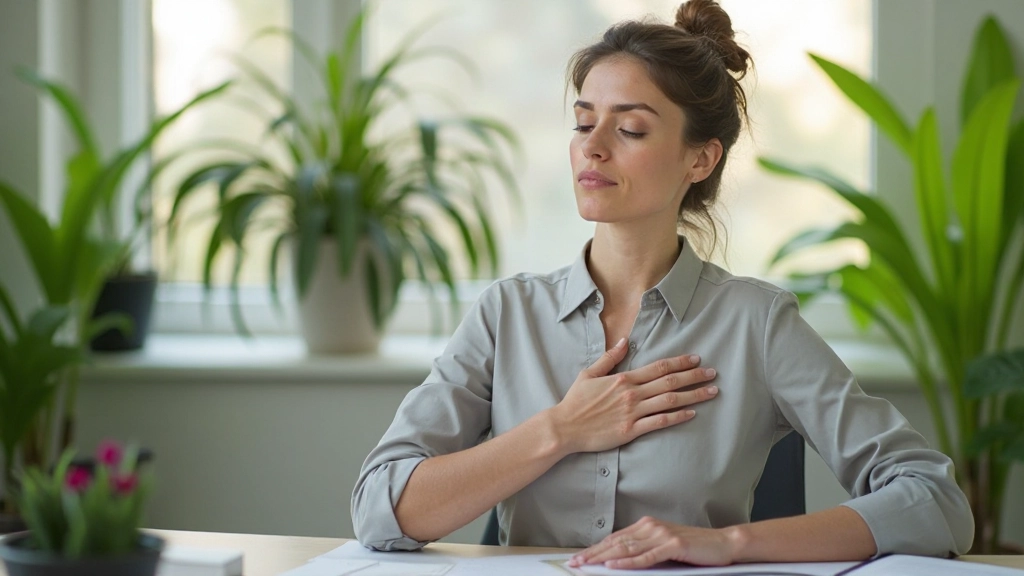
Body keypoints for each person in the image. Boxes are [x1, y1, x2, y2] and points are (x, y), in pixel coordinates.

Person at [351, 0, 974, 569]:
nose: (591, 148)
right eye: (582, 122)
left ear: (700, 159)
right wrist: (561, 429)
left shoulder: (756, 323)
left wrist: (728, 543)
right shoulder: (504, 314)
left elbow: (935, 502)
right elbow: (379, 509)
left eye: (630, 129)